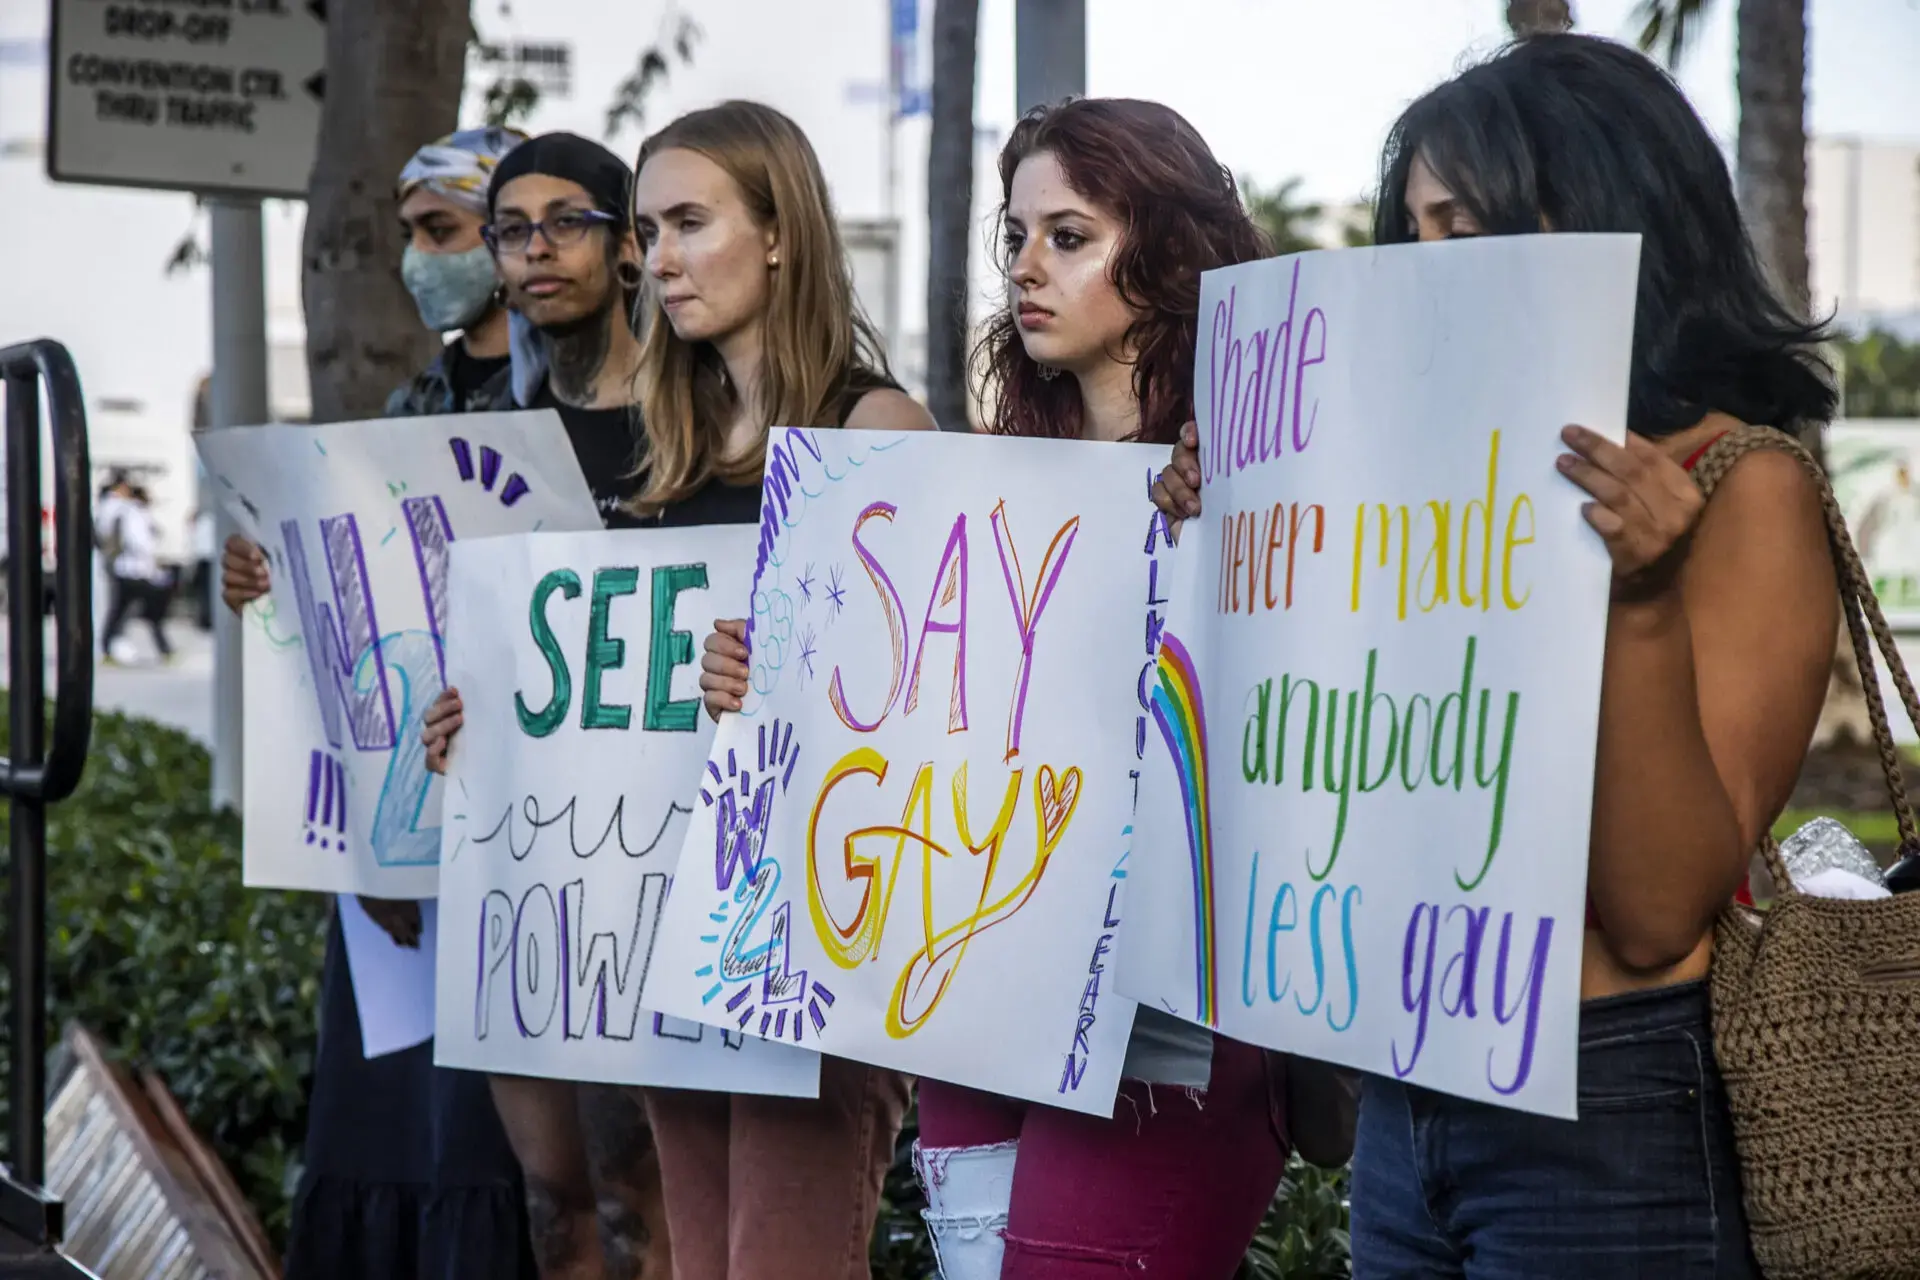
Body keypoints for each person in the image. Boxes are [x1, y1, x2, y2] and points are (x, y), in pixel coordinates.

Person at [1154, 34, 1837, 1277]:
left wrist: (1631, 603)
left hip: (1611, 1101)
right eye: (1410, 229)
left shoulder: (1745, 489)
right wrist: (1230, 525)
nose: (1426, 266)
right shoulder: (1412, 490)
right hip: (1415, 1092)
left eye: (1461, 225)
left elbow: (1657, 905)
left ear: (1600, 209)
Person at [884, 97, 1296, 1280]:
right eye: (1015, 236)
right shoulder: (991, 486)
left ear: (1169, 252)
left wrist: (1244, 518)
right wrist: (771, 678)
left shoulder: (1274, 477)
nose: (1024, 266)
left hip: (1176, 1013)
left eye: (1069, 235)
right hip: (984, 985)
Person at [608, 98, 933, 1280]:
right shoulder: (672, 452)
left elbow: (941, 692)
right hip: (675, 921)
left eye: (691, 221)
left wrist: (788, 674)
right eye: (649, 229)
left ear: (781, 231)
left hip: (817, 940)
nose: (660, 259)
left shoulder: (877, 422)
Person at [222, 125, 540, 1280]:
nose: (420, 260)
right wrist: (268, 582)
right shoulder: (413, 398)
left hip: (513, 855)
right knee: (388, 1130)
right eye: (414, 235)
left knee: (488, 1156)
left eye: (441, 232)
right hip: (388, 866)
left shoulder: (589, 404)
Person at [420, 130, 673, 1280]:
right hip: (515, 867)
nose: (534, 248)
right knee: (554, 1200)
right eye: (512, 226)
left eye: (567, 220)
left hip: (644, 871)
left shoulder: (693, 430)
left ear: (627, 249)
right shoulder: (481, 448)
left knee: (639, 1206)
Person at [101, 481, 173, 664]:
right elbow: (139, 542)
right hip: (134, 571)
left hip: (130, 570)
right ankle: (164, 649)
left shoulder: (128, 511)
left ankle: (108, 648)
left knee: (119, 612)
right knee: (149, 613)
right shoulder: (134, 513)